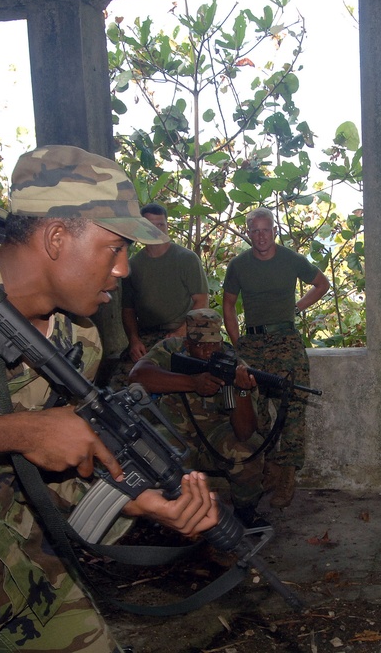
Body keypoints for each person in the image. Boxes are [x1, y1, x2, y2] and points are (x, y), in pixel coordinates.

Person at [0, 145, 219, 653]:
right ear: (58, 237)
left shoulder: (77, 339)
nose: (125, 269)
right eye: (116, 247)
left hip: (20, 564)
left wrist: (134, 502)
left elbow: (44, 478)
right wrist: (17, 432)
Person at [222, 207, 330, 509]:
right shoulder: (239, 265)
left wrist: (296, 307)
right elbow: (228, 304)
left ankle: (287, 477)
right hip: (252, 343)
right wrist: (237, 346)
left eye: (265, 229)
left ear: (274, 231)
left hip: (286, 340)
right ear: (248, 233)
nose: (260, 236)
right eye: (254, 230)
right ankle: (267, 469)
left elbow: (322, 284)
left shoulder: (291, 259)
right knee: (256, 411)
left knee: (293, 407)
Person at [129, 308, 270, 527]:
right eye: (200, 345)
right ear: (187, 344)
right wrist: (193, 383)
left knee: (249, 450)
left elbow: (244, 432)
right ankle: (157, 514)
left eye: (213, 345)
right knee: (146, 448)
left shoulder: (235, 365)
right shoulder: (171, 349)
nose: (207, 352)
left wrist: (241, 391)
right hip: (174, 431)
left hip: (216, 436)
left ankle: (245, 511)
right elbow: (138, 375)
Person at [122, 203, 209, 362]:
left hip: (184, 331)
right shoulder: (132, 266)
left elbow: (201, 301)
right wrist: (134, 340)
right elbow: (128, 310)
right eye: (150, 225)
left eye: (160, 224)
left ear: (167, 226)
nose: (156, 230)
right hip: (147, 335)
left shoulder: (187, 259)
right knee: (127, 378)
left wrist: (180, 332)